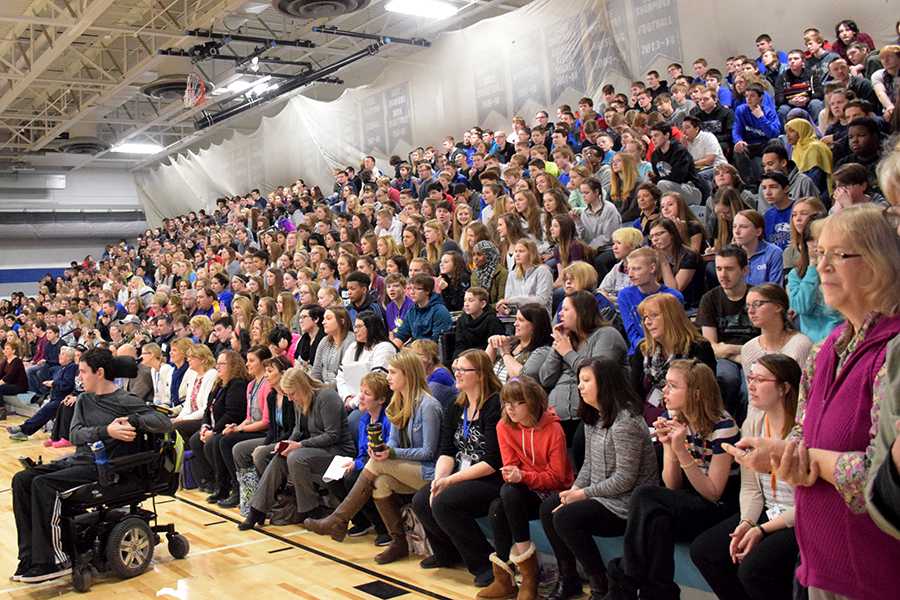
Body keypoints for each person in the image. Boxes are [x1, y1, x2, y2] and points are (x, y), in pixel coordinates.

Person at [727, 205, 900, 599]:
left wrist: (814, 462)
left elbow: (883, 478)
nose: (821, 266)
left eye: (839, 255)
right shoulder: (825, 351)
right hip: (819, 566)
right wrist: (780, 453)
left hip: (876, 575)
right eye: (819, 254)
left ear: (879, 263)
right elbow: (804, 435)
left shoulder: (893, 351)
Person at [11, 347, 174, 583]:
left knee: (44, 485)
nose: (80, 377)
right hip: (80, 460)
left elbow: (163, 423)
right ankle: (30, 557)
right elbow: (75, 435)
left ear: (99, 372)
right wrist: (106, 430)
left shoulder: (125, 400)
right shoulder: (84, 400)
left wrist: (134, 420)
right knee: (22, 480)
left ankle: (55, 561)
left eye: (83, 371)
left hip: (105, 468)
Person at [605, 359, 739, 600]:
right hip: (692, 498)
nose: (664, 391)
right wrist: (669, 446)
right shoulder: (674, 417)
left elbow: (714, 493)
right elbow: (673, 485)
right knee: (657, 521)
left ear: (696, 393)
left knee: (645, 495)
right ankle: (658, 594)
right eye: (665, 385)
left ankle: (626, 579)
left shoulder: (723, 425)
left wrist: (681, 450)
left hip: (722, 507)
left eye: (673, 386)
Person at [304, 351, 443, 564]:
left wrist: (391, 453)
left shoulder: (429, 405)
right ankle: (398, 543)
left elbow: (429, 452)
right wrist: (382, 449)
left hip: (428, 471)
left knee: (378, 465)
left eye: (394, 372)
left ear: (409, 375)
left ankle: (338, 520)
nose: (389, 377)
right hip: (404, 469)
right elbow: (393, 444)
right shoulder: (397, 402)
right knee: (380, 482)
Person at [540, 359, 658, 600]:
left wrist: (582, 495)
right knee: (549, 508)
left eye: (586, 381)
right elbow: (589, 465)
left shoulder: (625, 422)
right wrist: (572, 491)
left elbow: (625, 479)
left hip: (626, 506)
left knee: (566, 517)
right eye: (579, 381)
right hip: (601, 496)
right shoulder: (594, 416)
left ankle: (599, 583)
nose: (580, 387)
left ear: (605, 383)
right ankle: (568, 577)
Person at [690, 354, 801, 600]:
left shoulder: (802, 430)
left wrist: (761, 529)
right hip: (767, 511)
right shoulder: (753, 422)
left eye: (760, 379)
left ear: (784, 388)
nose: (750, 384)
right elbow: (751, 488)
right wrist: (747, 523)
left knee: (754, 569)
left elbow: (806, 502)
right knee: (705, 551)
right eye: (749, 377)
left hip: (797, 518)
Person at [412, 350, 503, 587]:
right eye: (457, 368)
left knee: (445, 501)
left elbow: (493, 461)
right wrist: (439, 480)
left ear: (481, 375)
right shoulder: (456, 405)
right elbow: (446, 451)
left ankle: (484, 563)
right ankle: (447, 552)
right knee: (423, 498)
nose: (458, 374)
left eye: (464, 370)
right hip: (461, 473)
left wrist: (451, 481)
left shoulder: (494, 405)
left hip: (489, 477)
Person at [479, 377, 574, 600]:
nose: (509, 408)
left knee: (505, 499)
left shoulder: (554, 429)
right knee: (500, 503)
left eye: (517, 402)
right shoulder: (503, 426)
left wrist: (523, 475)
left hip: (552, 491)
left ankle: (528, 576)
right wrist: (517, 475)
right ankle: (507, 578)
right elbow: (510, 466)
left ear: (532, 402)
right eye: (506, 402)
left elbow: (558, 478)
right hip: (523, 490)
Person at [247, 367, 354, 525]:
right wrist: (287, 444)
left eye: (292, 394)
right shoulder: (300, 399)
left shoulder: (327, 397)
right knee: (280, 456)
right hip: (316, 449)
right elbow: (297, 431)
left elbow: (332, 435)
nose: (290, 399)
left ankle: (311, 510)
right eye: (287, 394)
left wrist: (299, 445)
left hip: (338, 451)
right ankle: (257, 510)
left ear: (302, 386)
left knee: (296, 457)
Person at [540, 290, 629, 448]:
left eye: (566, 309)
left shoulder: (607, 335)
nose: (560, 313)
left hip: (590, 412)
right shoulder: (568, 339)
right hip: (555, 414)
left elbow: (598, 374)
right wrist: (558, 346)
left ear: (582, 311)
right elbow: (546, 378)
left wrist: (567, 352)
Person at [317, 371, 393, 544]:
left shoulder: (387, 420)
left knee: (352, 478)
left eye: (367, 394)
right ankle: (361, 521)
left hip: (383, 463)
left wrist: (358, 465)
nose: (361, 397)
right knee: (333, 477)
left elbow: (387, 450)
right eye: (361, 392)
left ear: (381, 400)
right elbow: (361, 454)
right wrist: (355, 463)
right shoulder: (364, 420)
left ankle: (382, 527)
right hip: (367, 462)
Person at [697, 245, 760, 424]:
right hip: (727, 359)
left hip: (758, 357)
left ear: (745, 270)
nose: (723, 275)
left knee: (750, 390)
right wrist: (743, 351)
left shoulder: (757, 296)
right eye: (719, 268)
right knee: (726, 380)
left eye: (729, 269)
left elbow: (767, 343)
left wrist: (730, 349)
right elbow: (711, 347)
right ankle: (726, 428)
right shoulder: (709, 299)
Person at [631, 293, 716, 425]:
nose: (647, 322)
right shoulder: (643, 350)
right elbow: (634, 393)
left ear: (671, 316)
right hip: (647, 420)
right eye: (645, 317)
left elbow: (704, 394)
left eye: (654, 315)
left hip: (686, 420)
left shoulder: (698, 348)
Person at [233, 355, 293, 529]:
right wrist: (266, 445)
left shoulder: (290, 397)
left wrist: (270, 447)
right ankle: (251, 497)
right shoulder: (272, 397)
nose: (266, 375)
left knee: (260, 454)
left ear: (283, 373)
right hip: (275, 438)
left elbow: (294, 429)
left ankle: (259, 508)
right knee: (247, 450)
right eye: (265, 371)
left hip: (290, 439)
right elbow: (274, 430)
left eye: (270, 371)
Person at [190, 349, 251, 507]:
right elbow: (207, 409)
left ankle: (230, 486)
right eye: (217, 363)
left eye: (222, 364)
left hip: (232, 426)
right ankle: (212, 482)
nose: (218, 367)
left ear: (233, 365)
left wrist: (214, 431)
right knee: (196, 440)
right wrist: (205, 426)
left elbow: (233, 414)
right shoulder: (219, 384)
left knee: (216, 441)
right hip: (216, 425)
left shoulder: (237, 384)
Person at [739, 285, 813, 409]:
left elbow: (806, 396)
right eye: (748, 306)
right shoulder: (748, 349)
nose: (750, 311)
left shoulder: (801, 346)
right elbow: (752, 401)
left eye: (757, 304)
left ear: (778, 307)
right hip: (757, 421)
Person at [617, 247, 685, 354]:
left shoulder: (673, 296)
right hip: (640, 351)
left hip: (670, 349)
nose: (630, 274)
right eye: (628, 269)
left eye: (636, 269)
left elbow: (676, 331)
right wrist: (645, 349)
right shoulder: (624, 295)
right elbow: (631, 332)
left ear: (652, 268)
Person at [786, 218, 844, 343]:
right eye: (811, 239)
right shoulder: (796, 274)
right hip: (809, 342)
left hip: (839, 337)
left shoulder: (842, 270)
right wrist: (812, 267)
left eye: (821, 237)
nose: (816, 243)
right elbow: (801, 307)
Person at [7, 346, 77, 441]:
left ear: (69, 357)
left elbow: (67, 384)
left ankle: (23, 429)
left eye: (62, 354)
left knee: (44, 412)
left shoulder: (71, 367)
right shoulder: (64, 368)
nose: (59, 356)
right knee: (42, 412)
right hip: (55, 397)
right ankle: (23, 430)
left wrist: (53, 383)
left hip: (62, 399)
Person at [335, 310, 396, 419]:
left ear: (371, 327)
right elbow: (340, 376)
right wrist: (347, 398)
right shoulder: (353, 347)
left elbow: (376, 383)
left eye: (359, 327)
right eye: (355, 327)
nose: (355, 330)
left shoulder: (385, 348)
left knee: (352, 420)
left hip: (374, 403)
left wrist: (354, 403)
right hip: (349, 400)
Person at [485, 303, 553, 384]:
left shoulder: (543, 351)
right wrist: (492, 345)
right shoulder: (510, 342)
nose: (515, 324)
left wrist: (506, 354)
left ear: (535, 325)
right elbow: (481, 369)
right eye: (516, 319)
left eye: (521, 320)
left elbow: (522, 379)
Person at [649, 218, 705, 309]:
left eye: (659, 234)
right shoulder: (655, 258)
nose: (655, 239)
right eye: (652, 236)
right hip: (665, 305)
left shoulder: (689, 256)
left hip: (690, 306)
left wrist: (663, 262)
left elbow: (674, 292)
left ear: (672, 234)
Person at [649, 123, 706, 205]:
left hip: (691, 189)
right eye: (652, 136)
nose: (653, 139)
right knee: (647, 189)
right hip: (670, 189)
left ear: (667, 135)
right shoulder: (655, 155)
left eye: (656, 135)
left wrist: (656, 180)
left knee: (662, 184)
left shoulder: (679, 151)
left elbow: (678, 177)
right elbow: (658, 176)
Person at [172, 343, 218, 442]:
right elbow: (188, 405)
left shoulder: (212, 375)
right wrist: (179, 418)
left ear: (203, 359)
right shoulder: (193, 375)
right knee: (171, 424)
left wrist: (183, 419)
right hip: (192, 416)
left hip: (205, 418)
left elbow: (205, 408)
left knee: (178, 427)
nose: (188, 360)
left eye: (192, 357)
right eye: (188, 357)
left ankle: (187, 455)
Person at [497, 239, 554, 317]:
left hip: (538, 318)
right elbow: (508, 301)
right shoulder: (512, 274)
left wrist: (512, 301)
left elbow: (541, 301)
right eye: (516, 251)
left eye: (521, 251)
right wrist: (504, 308)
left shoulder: (543, 271)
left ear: (531, 253)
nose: (517, 254)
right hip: (517, 318)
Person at [391, 274, 453, 345]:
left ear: (427, 291)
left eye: (417, 289)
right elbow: (402, 334)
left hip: (430, 352)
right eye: (410, 288)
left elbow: (437, 342)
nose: (412, 292)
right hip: (415, 349)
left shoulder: (439, 311)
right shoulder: (412, 311)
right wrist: (392, 347)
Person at [732, 210, 784, 286]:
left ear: (758, 232)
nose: (736, 231)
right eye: (734, 226)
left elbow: (775, 289)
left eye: (743, 227)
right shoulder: (730, 254)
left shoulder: (774, 253)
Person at [785, 118, 833, 197]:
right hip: (800, 190)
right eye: (786, 132)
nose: (787, 135)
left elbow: (814, 180)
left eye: (792, 131)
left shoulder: (814, 147)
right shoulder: (797, 148)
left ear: (802, 130)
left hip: (818, 193)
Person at [453, 287, 505, 359]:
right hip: (465, 357)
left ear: (483, 304)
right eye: (465, 301)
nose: (466, 304)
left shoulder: (492, 321)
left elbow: (494, 347)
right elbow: (460, 344)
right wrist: (457, 359)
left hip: (485, 358)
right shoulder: (461, 320)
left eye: (471, 301)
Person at [310, 306, 353, 386]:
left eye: (328, 318)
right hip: (322, 389)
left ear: (342, 321)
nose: (323, 322)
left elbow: (345, 376)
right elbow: (316, 371)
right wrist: (314, 387)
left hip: (341, 389)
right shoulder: (324, 341)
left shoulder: (351, 341)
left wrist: (324, 389)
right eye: (323, 319)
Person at [409, 339, 458, 409]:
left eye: (418, 355)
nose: (413, 359)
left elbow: (424, 405)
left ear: (430, 357)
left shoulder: (440, 375)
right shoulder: (425, 374)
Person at [599, 227, 644, 302]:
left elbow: (633, 299)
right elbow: (601, 290)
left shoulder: (642, 268)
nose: (614, 247)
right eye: (614, 243)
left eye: (619, 243)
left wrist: (611, 298)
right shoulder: (617, 267)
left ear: (633, 246)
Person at [470, 240, 508, 306]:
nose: (475, 258)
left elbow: (501, 302)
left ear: (489, 255)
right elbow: (473, 299)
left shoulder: (502, 273)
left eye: (479, 254)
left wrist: (479, 307)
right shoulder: (475, 274)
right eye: (473, 255)